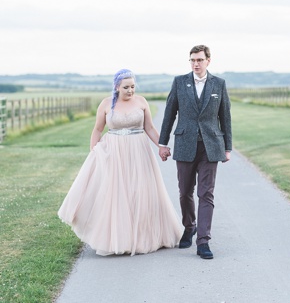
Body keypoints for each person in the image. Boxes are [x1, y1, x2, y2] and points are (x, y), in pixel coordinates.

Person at [58, 69, 183, 256]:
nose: (130, 90)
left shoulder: (141, 102)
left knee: (140, 192)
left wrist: (162, 146)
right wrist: (94, 152)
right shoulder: (106, 104)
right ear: (117, 87)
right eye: (126, 87)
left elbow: (149, 127)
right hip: (114, 152)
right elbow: (97, 129)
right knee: (117, 194)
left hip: (139, 151)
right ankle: (119, 239)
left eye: (133, 86)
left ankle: (143, 237)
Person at [158, 44, 232, 260]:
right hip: (184, 143)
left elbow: (225, 117)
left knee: (206, 193)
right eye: (192, 60)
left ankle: (203, 241)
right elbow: (169, 114)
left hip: (211, 146)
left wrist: (227, 147)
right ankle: (189, 227)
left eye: (199, 60)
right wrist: (163, 143)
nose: (196, 63)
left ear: (208, 60)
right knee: (185, 192)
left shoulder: (219, 84)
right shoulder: (180, 82)